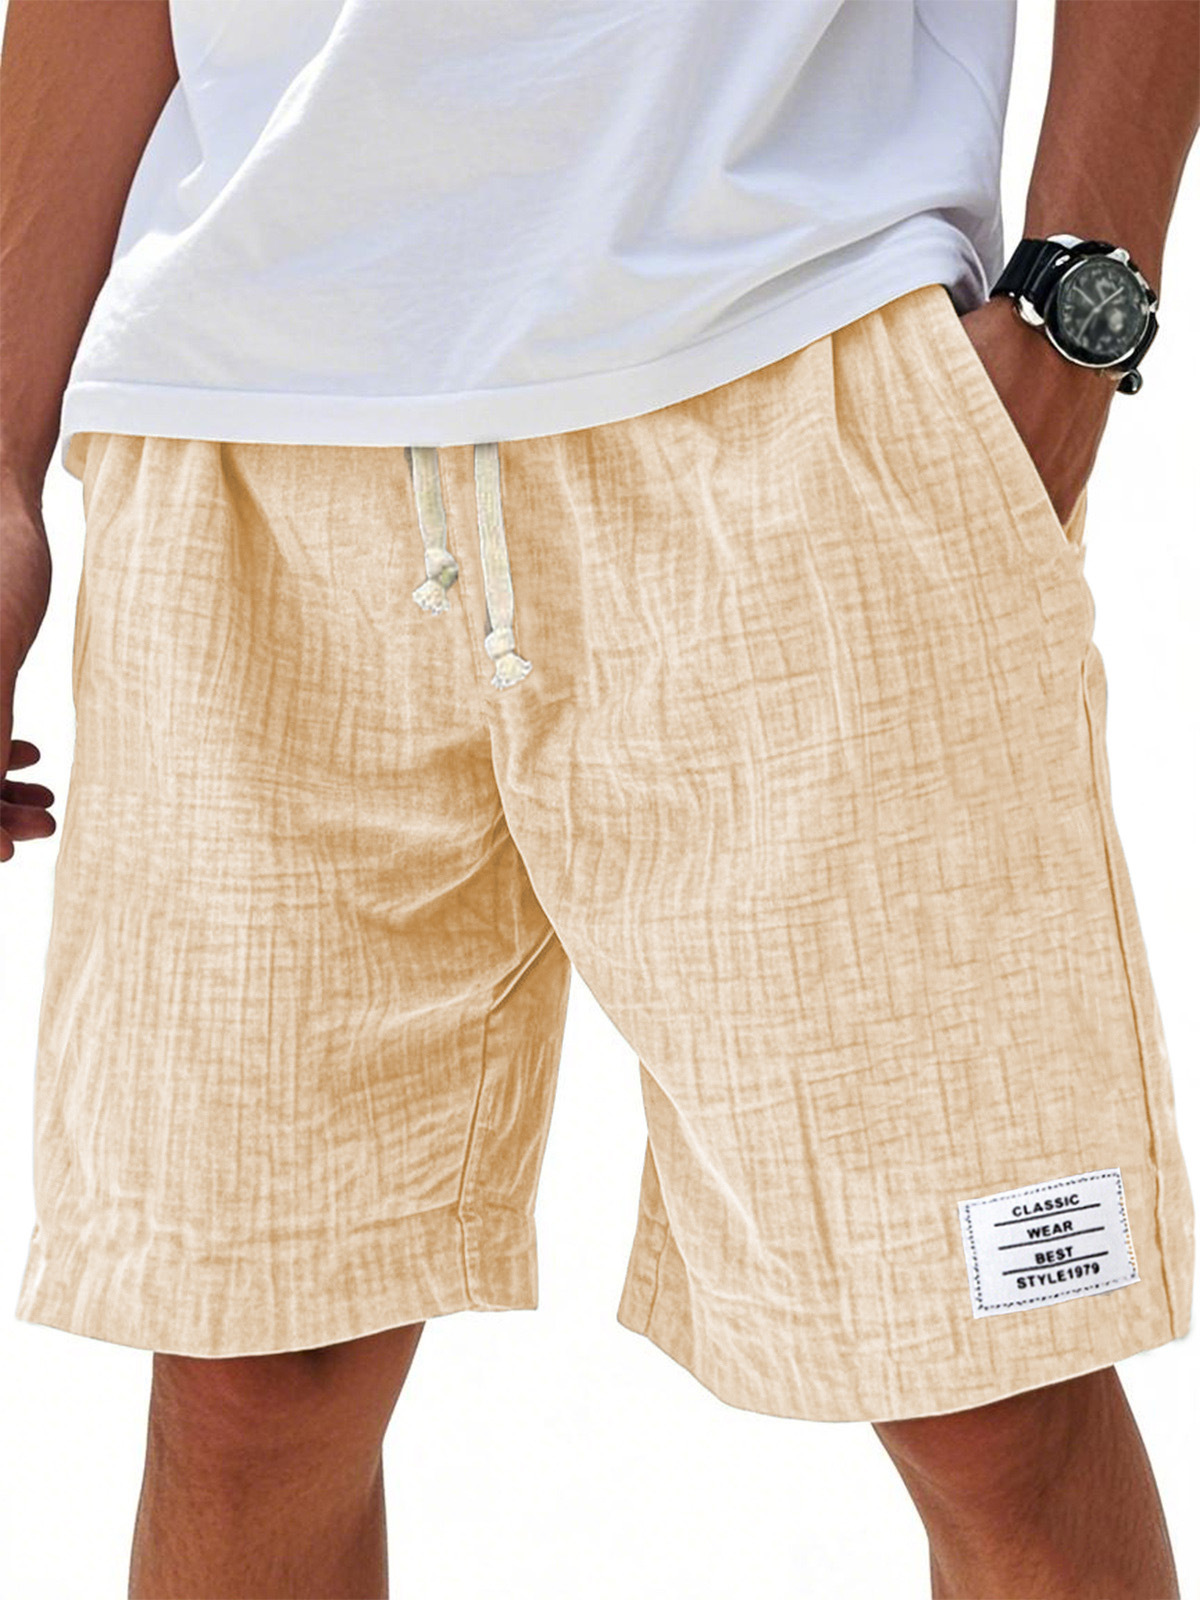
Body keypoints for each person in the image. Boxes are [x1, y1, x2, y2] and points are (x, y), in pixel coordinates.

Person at [2, 0, 1196, 1595]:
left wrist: (1076, 314)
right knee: (252, 1376)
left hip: (792, 363)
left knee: (986, 1374)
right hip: (247, 426)